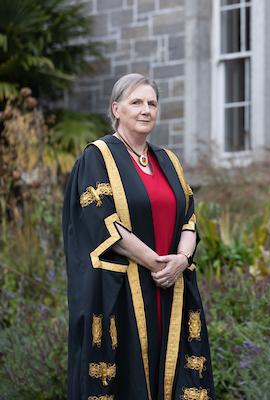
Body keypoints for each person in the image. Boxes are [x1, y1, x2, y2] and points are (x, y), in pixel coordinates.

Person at [63, 73, 215, 400]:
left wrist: (182, 260)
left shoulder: (168, 161)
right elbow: (105, 224)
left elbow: (189, 218)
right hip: (124, 291)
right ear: (116, 109)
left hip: (170, 290)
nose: (145, 110)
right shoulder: (98, 156)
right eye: (136, 102)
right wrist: (158, 264)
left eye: (152, 103)